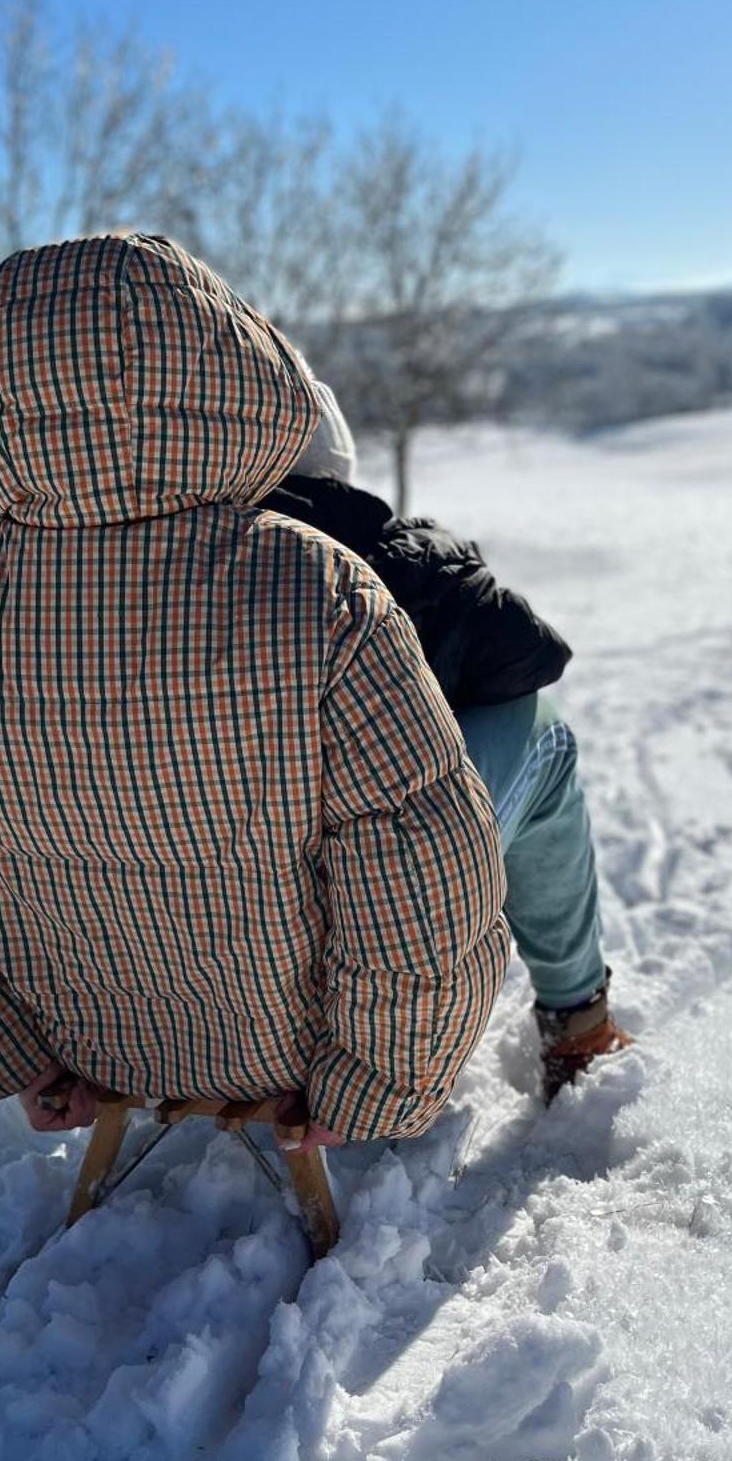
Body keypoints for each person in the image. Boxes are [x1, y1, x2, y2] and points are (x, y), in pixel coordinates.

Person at [0, 234, 508, 1154]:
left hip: (89, 1046)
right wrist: (375, 1085)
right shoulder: (312, 589)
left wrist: (8, 1053)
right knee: (534, 750)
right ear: (229, 367)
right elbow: (419, 872)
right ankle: (578, 1006)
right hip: (291, 1051)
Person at [262, 383, 633, 1102]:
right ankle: (578, 1018)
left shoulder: (40, 580)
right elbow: (527, 655)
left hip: (136, 967)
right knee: (543, 734)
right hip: (333, 926)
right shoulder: (350, 558)